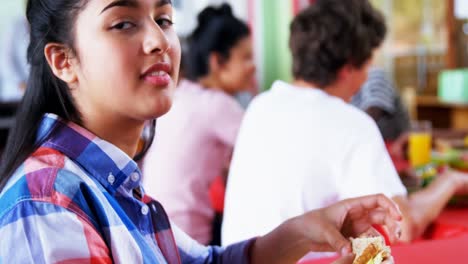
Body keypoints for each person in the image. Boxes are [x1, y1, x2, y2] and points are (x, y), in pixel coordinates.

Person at [0, 0, 402, 263]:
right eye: (123, 23)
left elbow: (208, 263)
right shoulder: (49, 204)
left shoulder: (115, 182)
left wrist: (300, 232)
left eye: (164, 19)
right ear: (63, 60)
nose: (159, 40)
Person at [222, 0, 468, 251]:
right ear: (349, 66)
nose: (368, 74)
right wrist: (451, 180)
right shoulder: (352, 123)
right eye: (368, 62)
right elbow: (402, 226)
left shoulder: (261, 105)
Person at [143, 4, 255, 245]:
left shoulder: (181, 95)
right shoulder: (217, 106)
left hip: (154, 225)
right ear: (217, 62)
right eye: (246, 57)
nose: (252, 67)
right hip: (188, 235)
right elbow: (265, 149)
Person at [351, 67, 410, 141]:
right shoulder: (346, 87)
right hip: (370, 145)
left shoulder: (375, 75)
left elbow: (373, 113)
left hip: (392, 145)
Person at [0, 14, 29, 101]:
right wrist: (21, 85)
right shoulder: (16, 25)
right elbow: (5, 60)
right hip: (14, 94)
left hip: (34, 93)